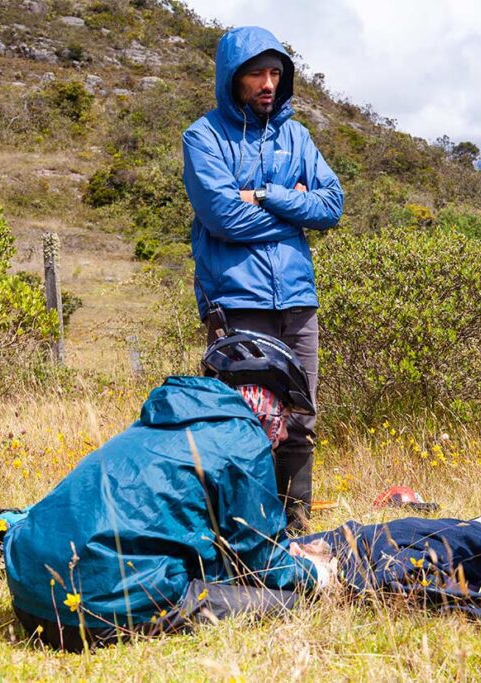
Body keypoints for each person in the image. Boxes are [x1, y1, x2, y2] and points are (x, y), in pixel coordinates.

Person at [3, 330, 334, 652]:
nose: (286, 433)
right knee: (291, 601)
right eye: (285, 415)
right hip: (92, 616)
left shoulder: (163, 419)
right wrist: (313, 574)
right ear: (264, 401)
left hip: (30, 600)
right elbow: (261, 565)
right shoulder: (243, 437)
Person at [182, 25, 344, 529]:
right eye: (256, 73)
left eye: (275, 73)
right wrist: (297, 208)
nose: (268, 83)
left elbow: (332, 204)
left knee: (300, 420)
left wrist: (268, 195)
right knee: (243, 420)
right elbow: (222, 218)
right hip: (237, 300)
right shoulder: (203, 137)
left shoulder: (297, 135)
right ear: (232, 78)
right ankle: (239, 531)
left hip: (297, 299)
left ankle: (292, 531)